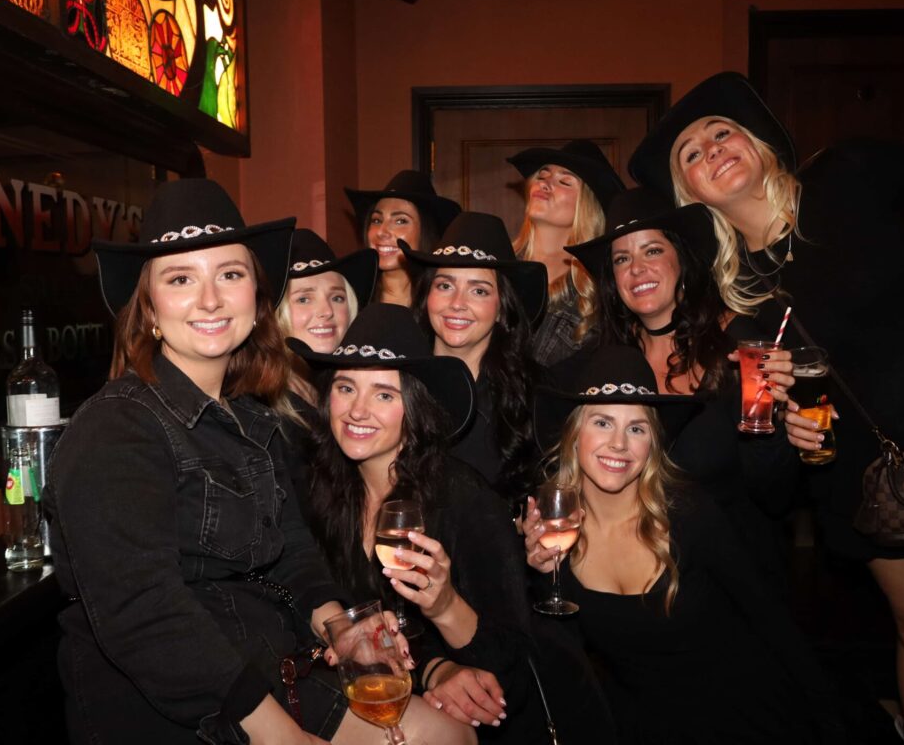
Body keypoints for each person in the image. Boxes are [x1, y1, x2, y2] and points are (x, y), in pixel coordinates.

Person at [627, 70, 904, 734]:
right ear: (691, 192)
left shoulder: (847, 176)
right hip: (871, 476)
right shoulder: (736, 303)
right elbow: (771, 450)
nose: (712, 149)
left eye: (722, 133)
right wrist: (791, 434)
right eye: (691, 154)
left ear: (756, 143)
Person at [46, 179, 466, 745]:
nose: (210, 300)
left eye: (230, 274)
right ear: (148, 308)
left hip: (269, 660)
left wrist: (340, 628)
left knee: (447, 734)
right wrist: (278, 735)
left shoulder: (250, 417)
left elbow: (290, 549)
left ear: (256, 296)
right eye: (180, 279)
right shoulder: (115, 427)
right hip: (177, 706)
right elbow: (144, 613)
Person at [523, 345, 846, 744]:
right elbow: (565, 662)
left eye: (637, 428)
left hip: (746, 715)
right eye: (603, 422)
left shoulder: (688, 513)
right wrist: (542, 577)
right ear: (573, 435)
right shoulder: (557, 531)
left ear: (653, 445)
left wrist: (829, 723)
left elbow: (771, 619)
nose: (619, 444)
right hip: (645, 727)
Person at [293, 303, 537, 742]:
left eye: (384, 395)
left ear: (414, 407)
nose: (357, 410)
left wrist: (444, 606)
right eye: (346, 387)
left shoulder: (464, 500)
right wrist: (432, 670)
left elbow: (514, 672)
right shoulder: (317, 487)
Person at [564, 187, 800, 581]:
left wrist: (771, 420)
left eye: (652, 250)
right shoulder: (605, 360)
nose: (636, 268)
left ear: (681, 259)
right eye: (622, 258)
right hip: (636, 576)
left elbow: (776, 496)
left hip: (732, 574)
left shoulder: (741, 347)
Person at [401, 211, 546, 505]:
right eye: (445, 285)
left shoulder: (533, 395)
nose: (457, 303)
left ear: (502, 309)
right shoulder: (394, 379)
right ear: (426, 296)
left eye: (478, 291)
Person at [506, 140, 624, 367]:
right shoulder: (497, 265)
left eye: (564, 181)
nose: (545, 183)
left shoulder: (597, 293)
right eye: (542, 176)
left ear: (587, 206)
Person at [274, 227, 378, 406]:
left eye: (337, 298)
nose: (327, 311)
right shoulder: (259, 404)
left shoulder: (351, 398)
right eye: (304, 299)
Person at [345, 171, 461, 307]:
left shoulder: (447, 302)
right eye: (376, 220)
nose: (381, 232)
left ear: (426, 231)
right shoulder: (349, 300)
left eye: (400, 221)